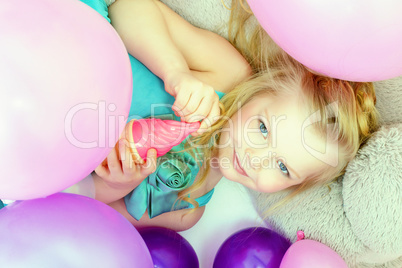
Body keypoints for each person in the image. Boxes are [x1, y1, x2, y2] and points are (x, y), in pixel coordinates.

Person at [84, 0, 379, 232]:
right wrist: (175, 71)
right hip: (76, 44)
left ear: (292, 188)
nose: (255, 158)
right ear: (259, 91)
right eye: (263, 129)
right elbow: (128, 8)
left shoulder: (186, 206)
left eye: (282, 167)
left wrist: (117, 183)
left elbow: (84, 208)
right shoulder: (227, 73)